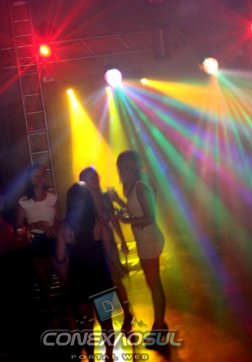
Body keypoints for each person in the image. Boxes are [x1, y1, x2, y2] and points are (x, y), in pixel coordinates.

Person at [55, 182, 115, 359]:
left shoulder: (64, 228)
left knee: (86, 324)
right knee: (106, 322)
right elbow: (110, 251)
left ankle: (91, 357)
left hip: (78, 279)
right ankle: (109, 356)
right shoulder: (99, 223)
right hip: (101, 277)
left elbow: (59, 256)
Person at [116, 150, 168, 350]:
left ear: (131, 166)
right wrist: (119, 203)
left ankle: (159, 328)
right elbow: (136, 210)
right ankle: (160, 325)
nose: (122, 170)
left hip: (149, 240)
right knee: (153, 283)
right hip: (145, 239)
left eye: (124, 166)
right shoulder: (137, 186)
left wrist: (128, 220)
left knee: (155, 285)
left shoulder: (141, 186)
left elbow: (149, 217)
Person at [79, 166, 134, 334]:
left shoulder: (104, 198)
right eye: (90, 177)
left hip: (108, 242)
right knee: (102, 283)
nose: (94, 178)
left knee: (116, 279)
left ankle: (127, 314)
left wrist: (122, 241)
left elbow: (114, 220)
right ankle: (107, 321)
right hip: (93, 245)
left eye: (95, 175)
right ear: (83, 181)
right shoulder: (82, 201)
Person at [15, 164, 62, 316]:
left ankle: (69, 310)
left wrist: (54, 228)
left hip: (53, 239)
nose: (40, 178)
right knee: (44, 281)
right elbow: (18, 228)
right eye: (36, 176)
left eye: (42, 175)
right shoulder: (24, 201)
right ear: (30, 179)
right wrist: (35, 224)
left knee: (62, 276)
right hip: (35, 241)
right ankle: (51, 314)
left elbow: (60, 220)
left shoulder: (52, 197)